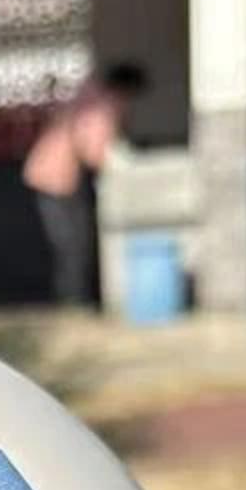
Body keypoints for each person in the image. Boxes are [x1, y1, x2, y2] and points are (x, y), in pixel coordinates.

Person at [23, 62, 149, 307]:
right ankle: (73, 302)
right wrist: (118, 159)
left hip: (52, 175)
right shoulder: (103, 106)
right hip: (56, 179)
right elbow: (94, 151)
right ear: (126, 89)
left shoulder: (92, 95)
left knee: (69, 244)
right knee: (73, 244)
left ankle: (72, 299)